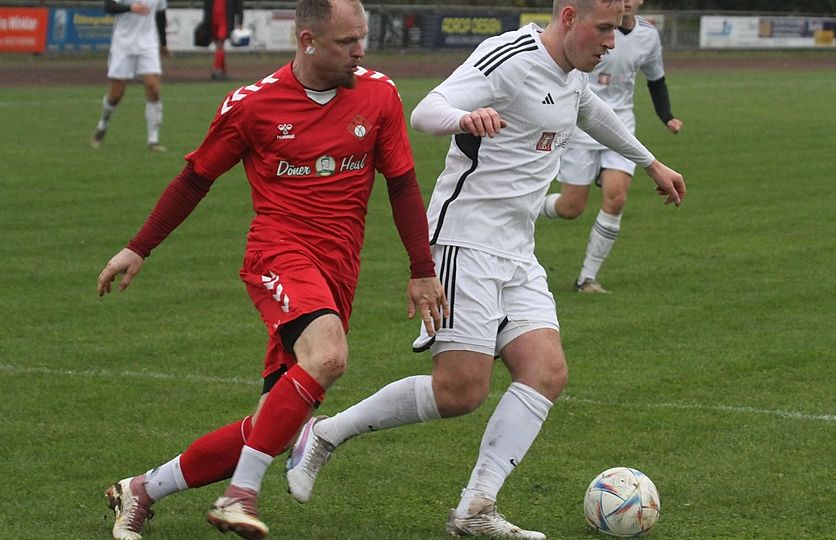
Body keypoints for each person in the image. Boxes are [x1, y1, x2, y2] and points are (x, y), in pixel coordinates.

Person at [283, 0, 685, 537]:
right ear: (569, 17)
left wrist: (650, 162)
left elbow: (591, 111)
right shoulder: (507, 54)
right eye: (604, 28)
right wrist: (465, 117)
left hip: (518, 249)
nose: (612, 41)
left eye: (616, 30)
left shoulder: (571, 74)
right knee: (460, 392)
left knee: (546, 372)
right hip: (462, 240)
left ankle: (476, 508)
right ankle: (325, 434)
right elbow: (426, 111)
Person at [97, 0, 446, 538]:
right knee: (329, 354)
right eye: (347, 42)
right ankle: (240, 495)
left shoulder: (380, 94)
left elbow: (401, 183)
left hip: (338, 270)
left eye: (362, 38)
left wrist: (421, 268)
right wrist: (138, 247)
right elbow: (196, 178)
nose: (361, 51)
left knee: (275, 426)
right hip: (277, 253)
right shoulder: (253, 105)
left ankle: (141, 489)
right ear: (306, 41)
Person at [541, 0, 683, 294]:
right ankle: (531, 205)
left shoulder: (648, 35)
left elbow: (656, 80)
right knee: (571, 208)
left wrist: (666, 116)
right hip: (581, 127)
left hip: (622, 126)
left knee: (616, 198)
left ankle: (587, 278)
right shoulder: (588, 25)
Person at [91, 0, 169, 152]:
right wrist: (130, 7)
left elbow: (161, 14)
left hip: (148, 43)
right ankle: (103, 124)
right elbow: (108, 6)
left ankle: (153, 140)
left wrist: (163, 43)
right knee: (116, 94)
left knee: (153, 87)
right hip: (123, 44)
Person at [201, 0, 244, 80]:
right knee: (219, 46)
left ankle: (216, 69)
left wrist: (240, 22)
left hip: (224, 21)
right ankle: (223, 71)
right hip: (213, 21)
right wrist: (205, 23)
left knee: (220, 44)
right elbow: (207, 7)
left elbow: (239, 6)